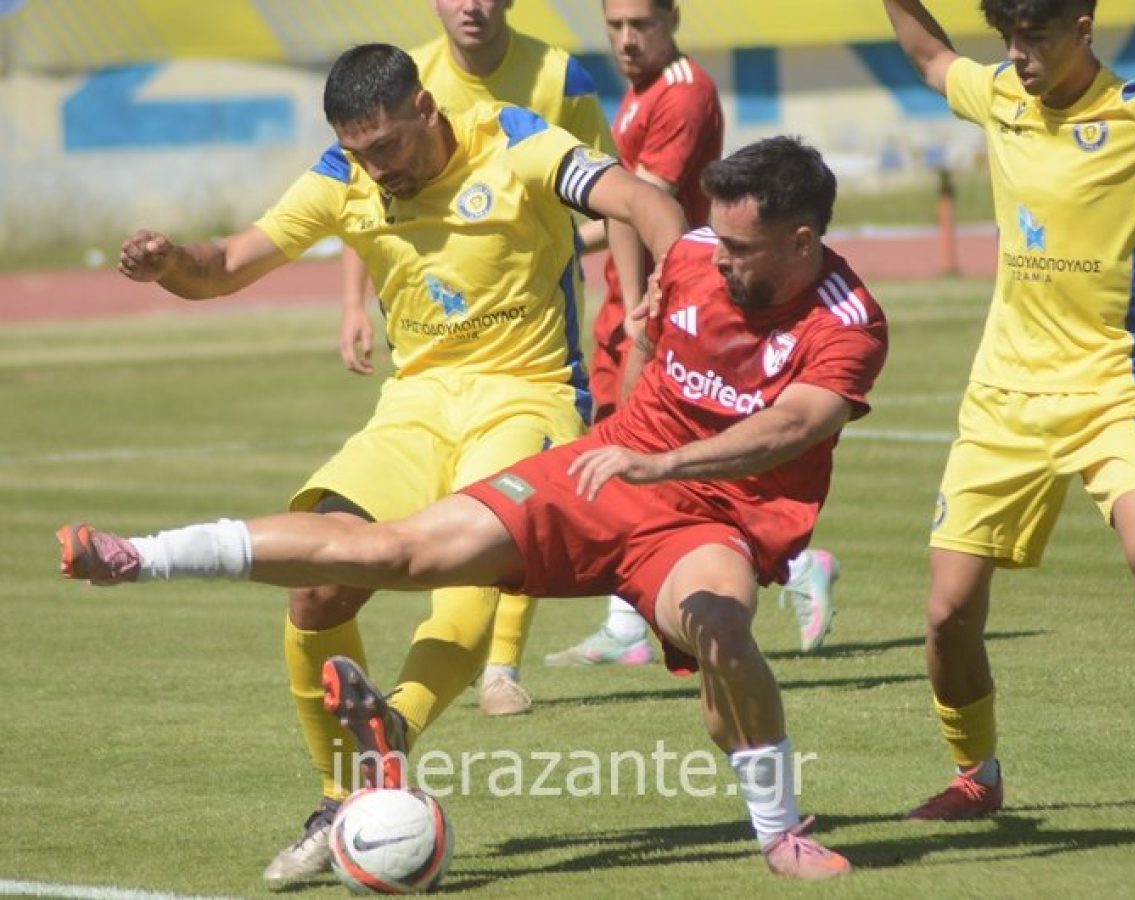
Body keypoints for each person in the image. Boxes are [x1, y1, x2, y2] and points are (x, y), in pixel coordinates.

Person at [61, 135, 889, 881]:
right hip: (603, 475)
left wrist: (661, 460)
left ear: (803, 241)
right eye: (719, 240)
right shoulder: (700, 254)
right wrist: (634, 390)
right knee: (398, 551)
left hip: (714, 519)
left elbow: (791, 428)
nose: (722, 259)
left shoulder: (849, 323)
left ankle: (780, 833)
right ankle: (144, 555)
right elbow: (656, 267)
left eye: (742, 249)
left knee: (723, 633)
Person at [110, 43, 687, 888]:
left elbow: (641, 198)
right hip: (415, 407)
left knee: (464, 574)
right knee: (315, 584)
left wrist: (674, 289)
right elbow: (227, 264)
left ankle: (396, 732)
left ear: (425, 109)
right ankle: (340, 799)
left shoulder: (516, 141)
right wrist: (168, 266)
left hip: (528, 398)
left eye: (387, 146)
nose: (376, 169)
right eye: (360, 151)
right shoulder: (344, 175)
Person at [882, 0, 1135, 820]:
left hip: (1111, 393)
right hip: (1002, 403)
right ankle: (975, 779)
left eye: (1038, 37)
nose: (1020, 56)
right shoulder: (1000, 96)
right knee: (948, 613)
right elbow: (927, 58)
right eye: (1010, 39)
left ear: (1085, 25)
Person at [337, 2, 624, 726]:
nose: (469, 5)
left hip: (529, 312)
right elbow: (361, 199)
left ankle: (501, 665)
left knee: (513, 483)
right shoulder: (400, 78)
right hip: (435, 332)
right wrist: (352, 305)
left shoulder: (560, 76)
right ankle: (441, 678)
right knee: (460, 498)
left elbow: (613, 191)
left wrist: (640, 295)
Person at [544, 0, 842, 669]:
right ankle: (637, 617)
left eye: (639, 25)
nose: (626, 39)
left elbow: (638, 206)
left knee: (631, 458)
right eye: (614, 26)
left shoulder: (683, 95)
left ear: (672, 18)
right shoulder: (639, 95)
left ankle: (784, 568)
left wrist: (565, 251)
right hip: (637, 306)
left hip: (662, 313)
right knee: (620, 457)